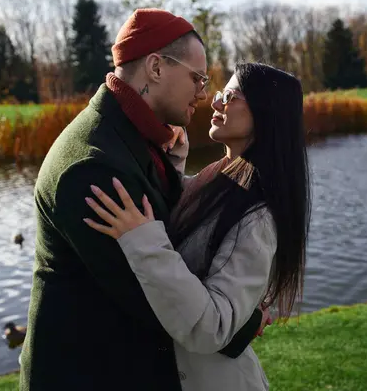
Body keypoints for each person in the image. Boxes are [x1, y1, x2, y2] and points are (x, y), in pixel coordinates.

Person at [19, 9, 262, 391]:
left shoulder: (137, 141)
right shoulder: (93, 168)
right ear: (156, 68)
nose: (203, 92)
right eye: (197, 78)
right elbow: (150, 297)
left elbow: (168, 235)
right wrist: (245, 320)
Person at [83, 62, 312, 390]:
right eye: (221, 93)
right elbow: (189, 234)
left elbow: (213, 326)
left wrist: (142, 242)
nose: (216, 102)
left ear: (267, 111)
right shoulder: (225, 177)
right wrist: (172, 166)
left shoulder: (259, 217)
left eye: (230, 95)